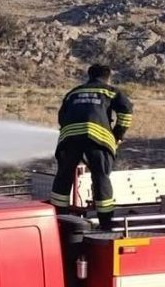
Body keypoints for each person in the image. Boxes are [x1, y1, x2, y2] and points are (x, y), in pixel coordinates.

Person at [49, 64, 135, 230]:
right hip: (97, 138)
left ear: (89, 76)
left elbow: (62, 116)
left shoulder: (74, 92)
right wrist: (118, 134)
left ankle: (59, 216)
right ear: (108, 77)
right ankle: (105, 220)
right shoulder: (110, 91)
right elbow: (126, 111)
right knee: (100, 176)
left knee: (63, 176)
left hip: (69, 137)